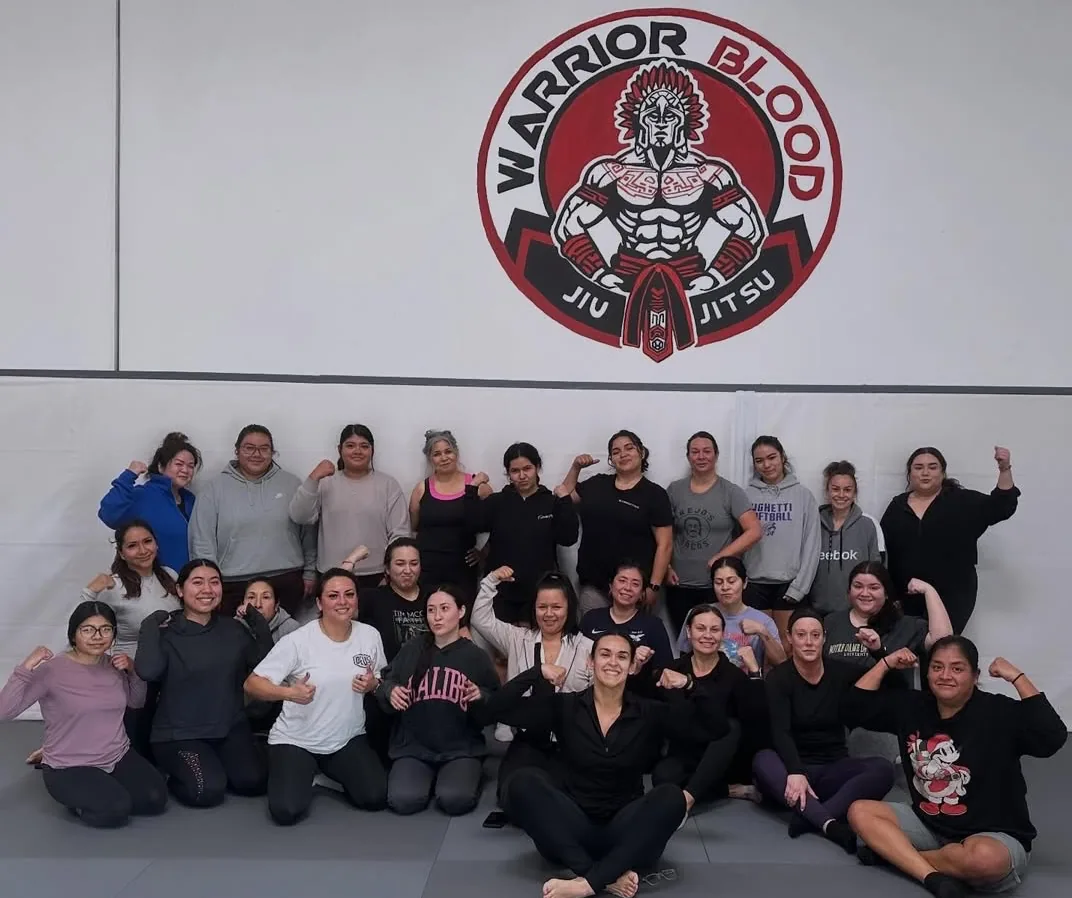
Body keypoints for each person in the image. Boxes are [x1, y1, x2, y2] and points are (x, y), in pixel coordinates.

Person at [481, 631, 729, 898]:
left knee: (672, 797)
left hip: (626, 834)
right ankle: (602, 876)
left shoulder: (650, 712)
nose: (613, 662)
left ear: (633, 666)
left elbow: (717, 728)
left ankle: (587, 883)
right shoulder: (565, 706)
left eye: (622, 656)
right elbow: (494, 710)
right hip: (571, 831)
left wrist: (691, 685)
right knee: (522, 782)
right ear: (590, 662)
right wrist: (537, 672)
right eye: (605, 654)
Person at [847, 638, 1067, 897]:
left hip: (992, 833)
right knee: (860, 811)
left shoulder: (999, 712)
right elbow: (853, 707)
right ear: (927, 673)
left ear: (975, 676)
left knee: (985, 859)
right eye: (937, 667)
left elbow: (1053, 737)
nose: (945, 676)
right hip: (929, 824)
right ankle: (933, 876)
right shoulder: (912, 706)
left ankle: (898, 856)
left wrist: (1017, 677)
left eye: (957, 668)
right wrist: (885, 662)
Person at [0, 602, 167, 827]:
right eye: (88, 629)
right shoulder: (52, 670)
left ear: (113, 634)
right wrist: (25, 667)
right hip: (69, 765)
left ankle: (103, 786)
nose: (97, 636)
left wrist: (132, 670)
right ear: (73, 634)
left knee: (155, 800)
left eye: (105, 629)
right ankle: (78, 800)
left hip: (116, 755)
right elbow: (5, 710)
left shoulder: (113, 665)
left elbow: (136, 702)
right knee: (115, 810)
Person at [245, 568, 389, 825]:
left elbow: (378, 679)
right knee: (287, 812)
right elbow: (252, 684)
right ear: (320, 603)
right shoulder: (298, 641)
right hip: (296, 739)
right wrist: (289, 693)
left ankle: (326, 774)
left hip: (346, 738)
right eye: (333, 596)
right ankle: (304, 771)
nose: (342, 602)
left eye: (349, 594)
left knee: (375, 797)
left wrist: (372, 685)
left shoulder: (369, 636)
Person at [752, 608, 894, 852]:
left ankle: (810, 817)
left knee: (883, 769)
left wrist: (879, 652)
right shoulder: (778, 678)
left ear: (824, 637)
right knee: (762, 760)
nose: (808, 642)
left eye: (815, 635)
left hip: (833, 770)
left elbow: (892, 684)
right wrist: (796, 772)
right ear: (789, 638)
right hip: (791, 772)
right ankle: (830, 824)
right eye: (801, 635)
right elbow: (780, 731)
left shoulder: (841, 672)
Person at [135, 559, 272, 807]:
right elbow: (148, 671)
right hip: (180, 734)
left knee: (254, 782)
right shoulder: (167, 631)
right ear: (180, 590)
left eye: (214, 582)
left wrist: (256, 621)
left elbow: (264, 664)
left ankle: (219, 762)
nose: (207, 589)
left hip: (228, 728)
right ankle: (169, 772)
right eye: (197, 582)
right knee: (206, 791)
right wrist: (149, 626)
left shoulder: (234, 630)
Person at [376, 585, 499, 816]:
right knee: (404, 801)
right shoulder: (413, 648)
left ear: (461, 611)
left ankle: (457, 776)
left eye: (444, 608)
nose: (437, 616)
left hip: (460, 748)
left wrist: (480, 696)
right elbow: (386, 681)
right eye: (431, 610)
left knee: (455, 800)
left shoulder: (475, 656)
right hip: (413, 747)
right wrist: (390, 690)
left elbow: (495, 702)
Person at [471, 567, 593, 797]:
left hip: (570, 741)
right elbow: (480, 619)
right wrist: (490, 581)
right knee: (510, 795)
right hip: (528, 739)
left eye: (556, 607)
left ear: (569, 609)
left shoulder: (587, 646)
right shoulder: (518, 638)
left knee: (566, 795)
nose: (549, 614)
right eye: (542, 607)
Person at [881, 447, 1019, 634]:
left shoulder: (962, 501)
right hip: (906, 596)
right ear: (910, 474)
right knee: (909, 650)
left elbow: (1002, 506)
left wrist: (1004, 469)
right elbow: (884, 552)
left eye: (932, 467)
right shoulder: (897, 506)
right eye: (918, 467)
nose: (925, 473)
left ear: (943, 472)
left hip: (953, 595)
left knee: (943, 646)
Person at [189, 425, 317, 616]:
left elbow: (307, 532)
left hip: (286, 580)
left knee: (283, 642)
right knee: (238, 644)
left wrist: (310, 572)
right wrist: (209, 584)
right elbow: (202, 540)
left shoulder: (291, 484)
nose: (256, 454)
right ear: (237, 450)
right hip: (233, 584)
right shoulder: (213, 490)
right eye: (249, 448)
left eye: (264, 449)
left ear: (272, 452)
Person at [78, 520, 179, 758]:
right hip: (135, 672)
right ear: (121, 553)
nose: (143, 550)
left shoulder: (171, 575)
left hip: (171, 665)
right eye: (133, 546)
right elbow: (82, 625)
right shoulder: (113, 585)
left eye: (147, 542)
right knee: (138, 746)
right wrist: (90, 591)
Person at [651, 604, 765, 804]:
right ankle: (728, 790)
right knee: (662, 778)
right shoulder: (674, 669)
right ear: (688, 631)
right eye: (700, 628)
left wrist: (754, 672)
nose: (707, 635)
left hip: (721, 756)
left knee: (731, 726)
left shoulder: (733, 674)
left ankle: (688, 799)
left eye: (714, 630)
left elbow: (756, 718)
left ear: (722, 634)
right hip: (685, 753)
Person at [560, 430, 673, 617]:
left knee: (633, 644)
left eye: (629, 448)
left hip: (634, 589)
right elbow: (565, 496)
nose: (623, 454)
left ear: (642, 453)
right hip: (594, 584)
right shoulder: (597, 484)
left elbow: (665, 544)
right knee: (595, 643)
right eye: (616, 451)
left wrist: (653, 586)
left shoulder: (655, 494)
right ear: (611, 459)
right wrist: (575, 468)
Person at [465, 442, 579, 624]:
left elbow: (568, 538)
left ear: (537, 468)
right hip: (501, 592)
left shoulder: (551, 502)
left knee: (534, 649)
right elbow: (471, 523)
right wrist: (472, 488)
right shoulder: (498, 502)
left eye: (528, 469)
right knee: (500, 651)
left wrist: (565, 499)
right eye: (515, 471)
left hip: (539, 593)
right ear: (508, 473)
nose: (522, 476)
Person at [289, 424, 410, 591]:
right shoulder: (325, 483)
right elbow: (299, 516)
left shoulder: (388, 484)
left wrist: (391, 574)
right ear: (340, 449)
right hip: (332, 575)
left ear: (372, 450)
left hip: (377, 576)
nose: (357, 451)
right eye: (350, 446)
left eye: (364, 446)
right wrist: (313, 477)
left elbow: (400, 533)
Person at [666, 431, 761, 633]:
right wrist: (665, 566)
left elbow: (753, 531)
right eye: (695, 452)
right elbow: (662, 533)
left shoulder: (731, 492)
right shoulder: (675, 490)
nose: (701, 456)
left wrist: (721, 556)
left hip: (717, 587)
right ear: (688, 456)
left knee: (716, 643)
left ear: (716, 456)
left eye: (707, 451)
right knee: (686, 643)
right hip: (679, 585)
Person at [744, 436, 821, 646]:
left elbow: (812, 544)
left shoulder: (803, 496)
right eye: (759, 460)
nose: (766, 465)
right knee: (758, 646)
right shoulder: (746, 495)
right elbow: (737, 540)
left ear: (783, 457)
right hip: (755, 583)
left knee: (787, 646)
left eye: (772, 457)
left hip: (789, 585)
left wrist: (800, 588)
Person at [824, 563, 952, 686]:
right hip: (840, 702)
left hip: (889, 702)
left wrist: (929, 591)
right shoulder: (831, 621)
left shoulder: (905, 625)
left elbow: (943, 640)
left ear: (886, 593)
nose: (864, 593)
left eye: (874, 588)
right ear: (849, 591)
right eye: (858, 586)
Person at [98, 432, 201, 571]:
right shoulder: (143, 495)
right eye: (179, 464)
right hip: (153, 583)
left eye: (191, 465)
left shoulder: (191, 500)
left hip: (187, 583)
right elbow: (108, 515)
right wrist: (129, 475)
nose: (185, 470)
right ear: (160, 466)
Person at [409, 430, 491, 600]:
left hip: (463, 570)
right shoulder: (421, 489)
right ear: (430, 459)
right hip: (428, 569)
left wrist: (483, 552)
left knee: (461, 620)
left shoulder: (478, 485)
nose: (444, 457)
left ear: (456, 453)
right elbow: (413, 527)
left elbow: (500, 524)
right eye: (437, 454)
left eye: (448, 451)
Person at [677, 556, 785, 671]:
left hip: (746, 684)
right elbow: (684, 656)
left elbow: (781, 662)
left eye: (731, 581)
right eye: (718, 582)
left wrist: (762, 632)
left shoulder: (762, 621)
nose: (725, 587)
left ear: (744, 583)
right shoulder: (698, 614)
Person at [809, 461, 884, 616]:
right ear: (827, 492)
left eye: (847, 490)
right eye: (835, 489)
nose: (841, 495)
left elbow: (878, 571)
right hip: (816, 610)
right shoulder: (812, 523)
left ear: (855, 492)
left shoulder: (868, 525)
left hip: (857, 612)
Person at [580, 562, 673, 674]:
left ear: (642, 593)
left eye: (635, 584)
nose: (628, 588)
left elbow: (666, 671)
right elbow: (577, 660)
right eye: (622, 581)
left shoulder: (653, 625)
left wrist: (641, 664)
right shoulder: (591, 618)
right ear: (611, 585)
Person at [240, 579, 304, 736]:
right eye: (251, 597)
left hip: (282, 705)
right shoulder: (234, 628)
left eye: (266, 597)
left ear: (277, 605)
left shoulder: (293, 630)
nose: (257, 604)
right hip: (242, 709)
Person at [358, 537, 429, 662]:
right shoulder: (372, 598)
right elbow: (336, 598)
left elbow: (462, 638)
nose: (408, 570)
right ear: (387, 568)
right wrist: (350, 560)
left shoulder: (434, 596)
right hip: (388, 676)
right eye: (400, 564)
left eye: (414, 563)